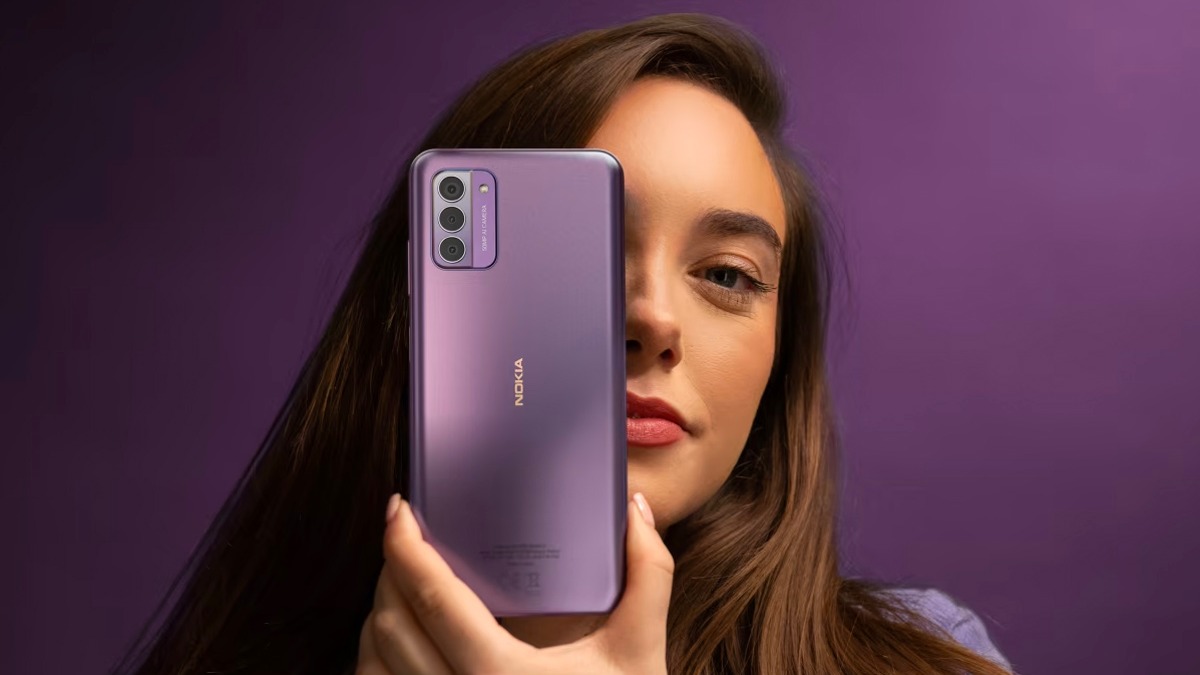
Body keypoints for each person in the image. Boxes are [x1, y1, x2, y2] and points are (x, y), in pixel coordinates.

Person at [112, 12, 1013, 675]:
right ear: (425, 310)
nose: (653, 318)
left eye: (727, 274)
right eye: (576, 253)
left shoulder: (931, 655)